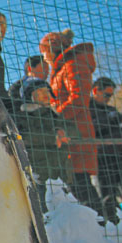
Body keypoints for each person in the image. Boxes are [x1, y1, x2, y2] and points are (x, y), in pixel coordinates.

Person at [39, 29, 113, 224]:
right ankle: (94, 225)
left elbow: (79, 99)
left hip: (76, 131)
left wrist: (57, 115)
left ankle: (99, 225)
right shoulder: (62, 67)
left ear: (52, 49)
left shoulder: (73, 64)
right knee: (75, 183)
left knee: (80, 183)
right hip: (68, 130)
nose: (44, 57)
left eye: (44, 51)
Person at [14, 78, 80, 213]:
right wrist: (52, 138)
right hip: (39, 174)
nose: (45, 94)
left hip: (61, 174)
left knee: (66, 212)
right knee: (43, 212)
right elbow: (25, 136)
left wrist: (63, 132)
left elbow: (75, 131)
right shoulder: (23, 116)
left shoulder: (54, 115)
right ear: (29, 96)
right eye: (39, 91)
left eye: (47, 91)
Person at [90, 77, 122, 220]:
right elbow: (91, 129)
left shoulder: (111, 110)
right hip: (102, 158)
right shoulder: (86, 109)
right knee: (108, 194)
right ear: (96, 90)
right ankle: (112, 225)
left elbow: (120, 132)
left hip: (120, 155)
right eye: (107, 95)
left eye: (111, 95)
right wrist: (113, 120)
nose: (109, 98)